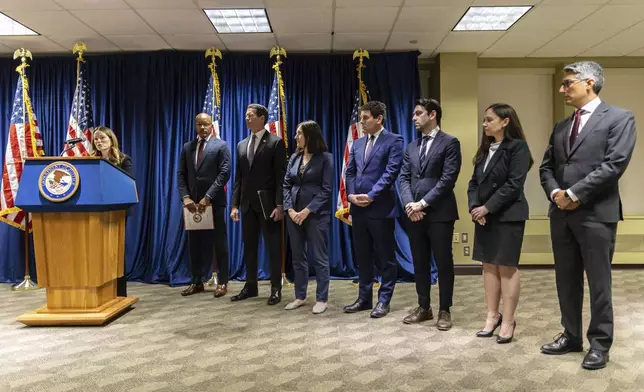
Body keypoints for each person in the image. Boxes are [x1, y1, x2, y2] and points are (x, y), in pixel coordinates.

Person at [539, 61, 636, 369]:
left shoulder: (620, 119)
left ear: (589, 83)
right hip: (561, 214)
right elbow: (546, 167)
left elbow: (614, 165)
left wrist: (574, 194)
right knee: (566, 280)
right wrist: (556, 194)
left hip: (596, 214)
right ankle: (571, 335)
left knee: (598, 282)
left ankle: (600, 343)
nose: (562, 89)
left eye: (567, 83)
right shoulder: (562, 126)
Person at [467, 103, 533, 344]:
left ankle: (508, 320)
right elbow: (473, 183)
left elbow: (514, 184)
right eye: (484, 120)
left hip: (508, 215)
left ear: (505, 121)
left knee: (506, 267)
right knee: (488, 267)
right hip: (484, 216)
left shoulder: (518, 148)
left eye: (489, 120)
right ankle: (492, 316)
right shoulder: (485, 150)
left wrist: (488, 207)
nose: (484, 124)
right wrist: (475, 208)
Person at [399, 98, 461, 330]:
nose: (414, 118)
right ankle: (424, 306)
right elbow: (404, 178)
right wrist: (409, 205)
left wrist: (422, 203)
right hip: (414, 214)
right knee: (420, 261)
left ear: (432, 114)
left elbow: (448, 179)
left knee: (443, 262)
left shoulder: (450, 143)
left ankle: (445, 310)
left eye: (418, 113)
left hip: (439, 213)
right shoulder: (411, 147)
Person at [343, 101, 404, 318]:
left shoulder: (394, 140)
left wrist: (371, 195)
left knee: (385, 257)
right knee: (363, 256)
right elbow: (350, 172)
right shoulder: (358, 144)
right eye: (361, 117)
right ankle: (364, 298)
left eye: (366, 117)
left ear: (379, 119)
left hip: (380, 208)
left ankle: (384, 300)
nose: (362, 121)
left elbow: (391, 172)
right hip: (358, 209)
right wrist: (350, 195)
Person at [230, 104, 287, 305]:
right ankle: (251, 286)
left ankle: (275, 289)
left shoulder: (275, 142)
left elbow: (281, 178)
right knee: (250, 248)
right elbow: (239, 179)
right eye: (246, 116)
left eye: (250, 115)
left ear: (262, 118)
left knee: (273, 248)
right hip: (246, 205)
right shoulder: (241, 145)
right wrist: (234, 205)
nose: (247, 119)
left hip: (268, 205)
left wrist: (280, 205)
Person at [177, 113, 231, 298]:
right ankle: (196, 281)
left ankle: (222, 282)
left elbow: (224, 173)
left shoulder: (221, 145)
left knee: (219, 243)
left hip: (213, 203)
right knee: (194, 245)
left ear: (211, 126)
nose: (202, 127)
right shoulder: (187, 147)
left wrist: (208, 197)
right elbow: (181, 174)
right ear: (195, 125)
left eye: (205, 124)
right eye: (199, 124)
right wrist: (185, 197)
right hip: (192, 205)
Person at [283, 121, 333, 314]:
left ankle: (322, 298)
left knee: (319, 257)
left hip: (316, 215)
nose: (296, 137)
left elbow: (326, 190)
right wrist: (290, 210)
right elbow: (286, 185)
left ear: (310, 136)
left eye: (299, 133)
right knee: (298, 258)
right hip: (293, 215)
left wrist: (306, 211)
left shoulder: (326, 159)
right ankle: (300, 296)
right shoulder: (294, 158)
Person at [92, 125, 133, 297]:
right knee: (97, 252)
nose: (99, 141)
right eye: (96, 139)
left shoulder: (123, 160)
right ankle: (101, 291)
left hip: (117, 212)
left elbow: (129, 184)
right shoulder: (90, 161)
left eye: (103, 138)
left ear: (111, 140)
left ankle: (119, 292)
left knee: (115, 252)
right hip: (94, 213)